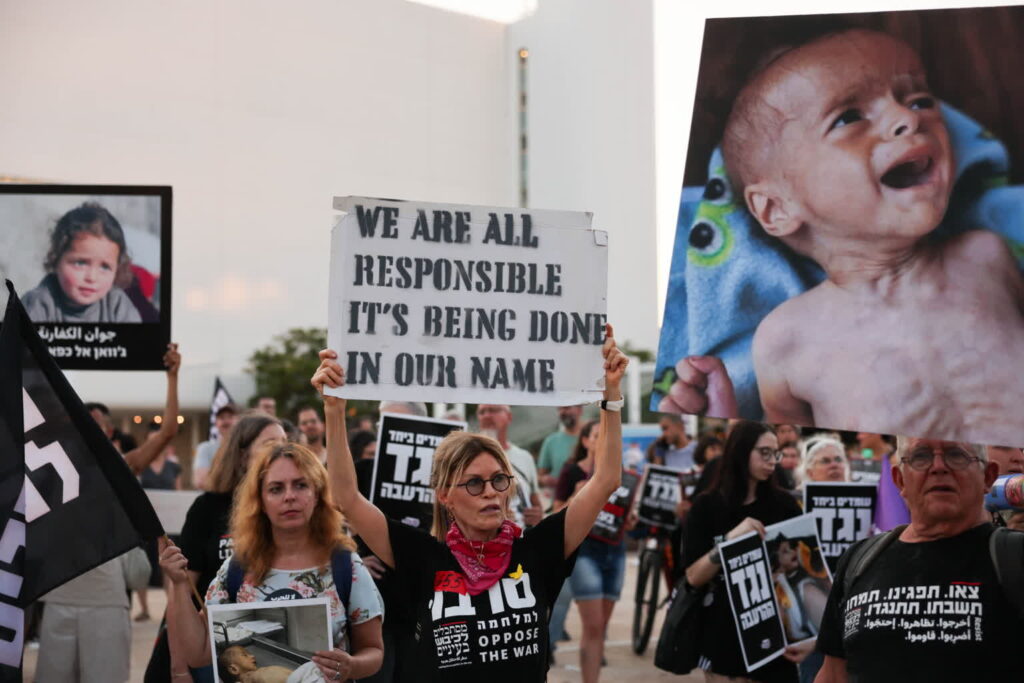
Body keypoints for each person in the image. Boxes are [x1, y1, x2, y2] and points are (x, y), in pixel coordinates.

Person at [660, 28, 1024, 446]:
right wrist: (724, 423)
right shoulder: (786, 338)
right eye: (849, 117)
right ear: (777, 209)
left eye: (920, 100)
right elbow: (795, 448)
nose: (909, 119)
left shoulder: (987, 256)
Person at [311, 323, 628, 681]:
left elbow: (605, 480)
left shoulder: (539, 550)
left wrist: (611, 397)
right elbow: (345, 499)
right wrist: (334, 410)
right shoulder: (422, 557)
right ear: (445, 495)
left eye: (498, 480)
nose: (492, 491)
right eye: (474, 483)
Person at [161, 441, 385, 681]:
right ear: (261, 502)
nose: (289, 496)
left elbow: (374, 651)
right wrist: (179, 585)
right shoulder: (236, 569)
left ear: (318, 494)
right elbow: (199, 655)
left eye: (301, 485)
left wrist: (351, 666)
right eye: (276, 489)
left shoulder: (346, 566)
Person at [815, 437, 1024, 681]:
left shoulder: (1013, 557)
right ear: (900, 480)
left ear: (988, 477)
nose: (938, 467)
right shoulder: (859, 560)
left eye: (956, 454)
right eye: (921, 456)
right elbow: (833, 675)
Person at [144, 413, 286, 682]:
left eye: (285, 442)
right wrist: (179, 667)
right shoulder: (208, 508)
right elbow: (181, 589)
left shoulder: (291, 508)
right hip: (206, 647)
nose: (280, 450)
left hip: (265, 644)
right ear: (243, 455)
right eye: (269, 443)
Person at [683, 421, 803, 682]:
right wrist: (728, 542)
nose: (773, 460)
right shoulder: (707, 506)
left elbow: (805, 570)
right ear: (741, 451)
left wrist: (809, 639)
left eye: (776, 453)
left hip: (777, 635)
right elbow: (693, 576)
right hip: (723, 634)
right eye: (765, 452)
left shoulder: (785, 505)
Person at [553, 419, 625, 683]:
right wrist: (576, 498)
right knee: (593, 626)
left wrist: (631, 520)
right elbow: (555, 516)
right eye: (597, 435)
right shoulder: (572, 472)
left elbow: (623, 516)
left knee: (601, 627)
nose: (602, 440)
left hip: (614, 551)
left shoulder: (621, 474)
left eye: (607, 435)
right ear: (585, 441)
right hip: (584, 552)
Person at [22, 202, 143, 323]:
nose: (92, 277)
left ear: (117, 269)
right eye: (80, 263)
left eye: (105, 267)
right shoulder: (38, 304)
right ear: (56, 258)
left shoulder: (118, 306)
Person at [476, 404, 542, 528]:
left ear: (509, 417)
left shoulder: (525, 457)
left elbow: (535, 504)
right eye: (482, 412)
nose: (486, 415)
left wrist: (537, 517)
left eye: (493, 410)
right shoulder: (468, 456)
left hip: (522, 541)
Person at [193, 403, 239, 490]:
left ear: (238, 421)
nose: (226, 421)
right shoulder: (205, 448)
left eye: (230, 417)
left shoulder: (247, 448)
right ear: (216, 423)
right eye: (221, 417)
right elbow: (201, 481)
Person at [537, 404, 583, 489]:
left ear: (580, 410)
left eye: (566, 407)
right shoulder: (551, 441)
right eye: (559, 409)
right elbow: (540, 476)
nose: (562, 412)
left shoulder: (592, 437)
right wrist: (545, 480)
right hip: (561, 500)